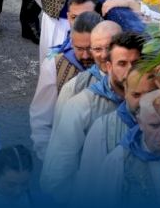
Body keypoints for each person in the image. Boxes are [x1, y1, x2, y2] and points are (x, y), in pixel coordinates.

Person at [40, 31, 143, 196]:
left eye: (136, 64)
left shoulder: (151, 103)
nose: (130, 71)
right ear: (109, 67)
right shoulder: (81, 106)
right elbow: (57, 174)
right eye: (122, 64)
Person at [28, 0, 99, 158]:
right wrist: (47, 157)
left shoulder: (112, 63)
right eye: (79, 48)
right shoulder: (54, 64)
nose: (85, 55)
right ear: (71, 41)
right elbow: (41, 117)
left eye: (91, 48)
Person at [73, 69, 157, 195]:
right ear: (125, 92)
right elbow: (88, 186)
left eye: (150, 94)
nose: (143, 101)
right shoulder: (103, 129)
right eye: (136, 95)